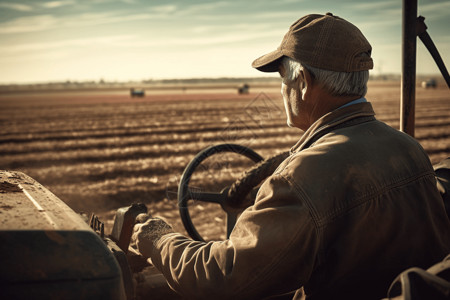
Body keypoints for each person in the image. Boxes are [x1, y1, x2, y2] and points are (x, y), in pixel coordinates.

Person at [132, 13, 450, 299]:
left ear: (303, 83)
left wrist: (158, 238)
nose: (282, 90)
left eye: (283, 78)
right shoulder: (408, 147)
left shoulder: (301, 176)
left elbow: (222, 277)